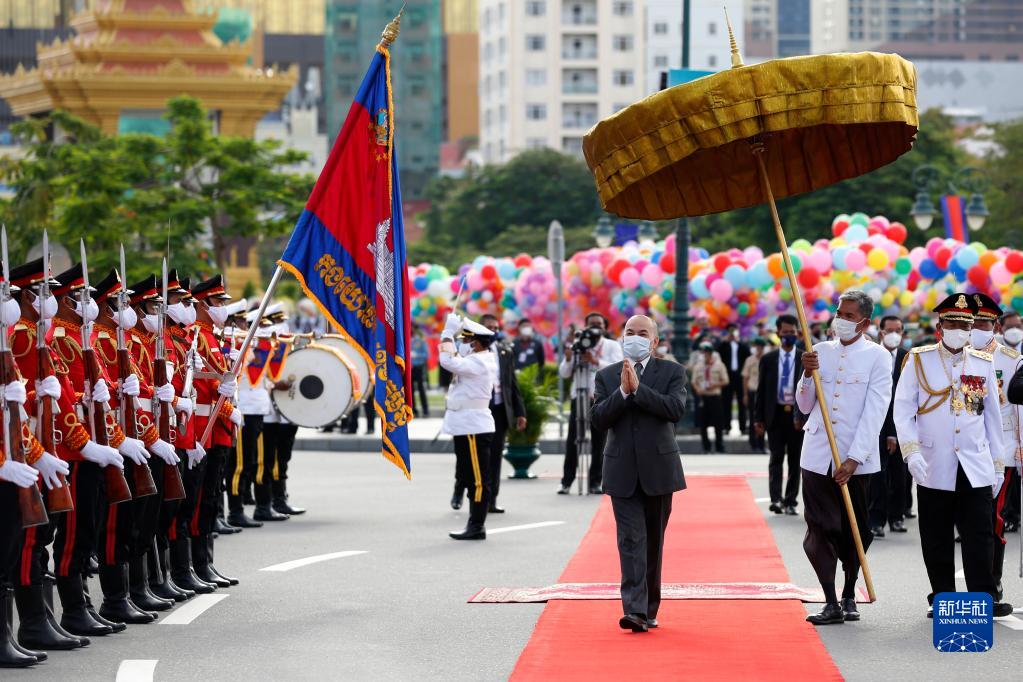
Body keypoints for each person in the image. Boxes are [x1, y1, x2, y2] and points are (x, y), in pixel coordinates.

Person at [894, 293, 1014, 618]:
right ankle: (943, 596)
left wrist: (997, 464)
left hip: (974, 462)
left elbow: (990, 418)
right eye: (952, 323)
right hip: (933, 462)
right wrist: (911, 452)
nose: (958, 330)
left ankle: (984, 596)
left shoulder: (982, 363)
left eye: (964, 325)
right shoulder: (919, 360)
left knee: (980, 534)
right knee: (936, 534)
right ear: (940, 326)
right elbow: (903, 411)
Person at [798, 289, 892, 625]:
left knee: (856, 531)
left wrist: (854, 458)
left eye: (849, 316)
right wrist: (807, 375)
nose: (841, 320)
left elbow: (876, 410)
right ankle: (829, 601)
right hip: (817, 454)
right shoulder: (820, 350)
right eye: (839, 313)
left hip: (855, 459)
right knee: (819, 528)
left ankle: (849, 592)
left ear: (864, 323)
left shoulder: (879, 357)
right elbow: (805, 406)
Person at [591, 315, 686, 633]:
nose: (635, 337)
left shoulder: (672, 372)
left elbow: (674, 410)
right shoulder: (606, 375)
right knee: (631, 540)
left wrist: (638, 390)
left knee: (653, 543)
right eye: (630, 332)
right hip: (621, 470)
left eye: (642, 333)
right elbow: (598, 419)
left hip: (659, 469)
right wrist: (622, 392)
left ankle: (649, 607)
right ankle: (634, 610)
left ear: (654, 341)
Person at [967, 293, 1021, 598]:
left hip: (1002, 449)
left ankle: (992, 583)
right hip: (966, 449)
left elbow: (1019, 409)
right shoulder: (958, 355)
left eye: (983, 323)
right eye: (972, 323)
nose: (977, 328)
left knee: (993, 519)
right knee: (967, 522)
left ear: (995, 326)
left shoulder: (1011, 360)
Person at [450, 314, 526, 514]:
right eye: (489, 327)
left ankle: (491, 500)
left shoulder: (504, 351)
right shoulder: (467, 349)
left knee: (494, 457)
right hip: (473, 409)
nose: (493, 331)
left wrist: (520, 412)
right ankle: (460, 488)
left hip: (498, 411)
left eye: (496, 327)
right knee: (466, 456)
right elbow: (452, 366)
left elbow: (511, 384)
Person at [440, 313, 497, 540]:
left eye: (466, 340)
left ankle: (477, 525)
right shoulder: (475, 360)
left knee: (478, 480)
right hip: (466, 426)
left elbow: (447, 361)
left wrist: (447, 333)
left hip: (474, 427)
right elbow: (454, 358)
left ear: (476, 343)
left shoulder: (479, 362)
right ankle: (474, 524)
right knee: (469, 475)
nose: (462, 344)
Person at [558, 312, 623, 495]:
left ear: (605, 327)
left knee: (599, 441)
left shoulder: (611, 345)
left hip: (601, 398)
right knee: (573, 441)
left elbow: (618, 367)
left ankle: (595, 482)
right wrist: (569, 358)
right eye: (592, 323)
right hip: (579, 397)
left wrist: (596, 361)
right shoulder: (578, 343)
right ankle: (566, 482)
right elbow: (564, 373)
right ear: (585, 326)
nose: (595, 326)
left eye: (599, 323)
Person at [754, 315, 805, 515]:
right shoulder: (768, 359)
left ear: (797, 333)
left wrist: (803, 417)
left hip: (796, 417)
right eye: (785, 332)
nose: (788, 336)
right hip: (774, 415)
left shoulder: (804, 357)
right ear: (778, 333)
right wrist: (758, 418)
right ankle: (775, 499)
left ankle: (790, 500)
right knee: (776, 458)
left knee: (795, 460)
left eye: (792, 332)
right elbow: (761, 390)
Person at [869, 315, 910, 538]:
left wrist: (895, 432)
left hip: (902, 426)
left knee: (900, 476)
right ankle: (876, 520)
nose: (894, 335)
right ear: (881, 332)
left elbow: (907, 398)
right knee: (878, 476)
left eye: (898, 330)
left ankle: (897, 517)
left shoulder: (908, 358)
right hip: (876, 425)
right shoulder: (873, 355)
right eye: (889, 330)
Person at [998, 310, 1022, 533]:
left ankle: (1011, 516)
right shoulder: (993, 354)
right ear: (1001, 328)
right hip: (1000, 431)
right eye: (1010, 326)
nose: (1015, 330)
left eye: (1018, 326)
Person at [688, 342, 728, 453]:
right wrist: (697, 389)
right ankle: (706, 447)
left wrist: (714, 385)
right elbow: (694, 381)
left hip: (714, 396)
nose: (705, 355)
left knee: (718, 423)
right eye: (703, 353)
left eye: (707, 353)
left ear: (711, 354)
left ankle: (719, 446)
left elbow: (725, 380)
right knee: (703, 423)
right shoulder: (698, 366)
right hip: (703, 397)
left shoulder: (719, 365)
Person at [715, 324, 750, 435]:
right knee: (726, 402)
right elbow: (717, 352)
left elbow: (748, 355)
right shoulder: (723, 345)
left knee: (742, 403)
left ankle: (743, 427)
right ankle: (726, 426)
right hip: (727, 376)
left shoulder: (741, 345)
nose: (732, 333)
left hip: (740, 376)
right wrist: (725, 341)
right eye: (730, 331)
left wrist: (739, 341)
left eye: (734, 330)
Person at [742, 337, 767, 452]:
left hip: (764, 392)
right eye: (757, 346)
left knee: (763, 418)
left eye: (760, 347)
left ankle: (761, 444)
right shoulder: (750, 360)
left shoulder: (767, 358)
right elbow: (745, 378)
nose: (758, 349)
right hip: (753, 391)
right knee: (752, 418)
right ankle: (753, 444)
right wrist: (745, 394)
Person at [410, 328, 430, 418]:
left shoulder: (421, 341)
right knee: (411, 390)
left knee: (421, 389)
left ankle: (425, 410)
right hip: (411, 368)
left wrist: (416, 355)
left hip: (419, 367)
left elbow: (426, 354)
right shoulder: (407, 341)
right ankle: (414, 410)